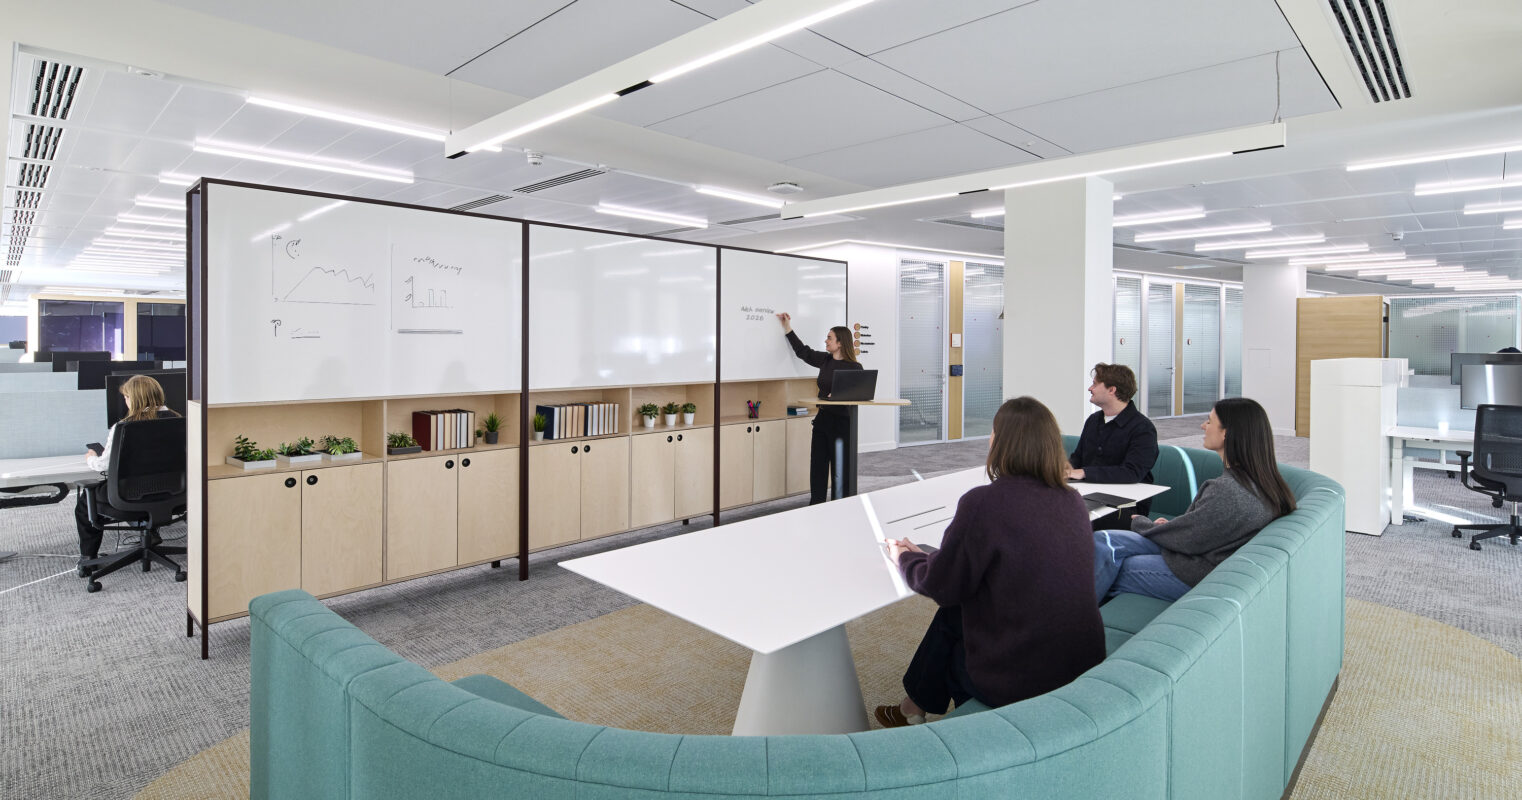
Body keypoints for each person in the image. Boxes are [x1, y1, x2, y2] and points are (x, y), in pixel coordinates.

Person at [875, 397, 1105, 727]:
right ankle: (912, 707)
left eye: (993, 433)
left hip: (1024, 680)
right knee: (954, 614)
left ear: (1001, 443)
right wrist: (938, 560)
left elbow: (941, 586)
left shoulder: (983, 503)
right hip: (1080, 662)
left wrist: (906, 558)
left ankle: (918, 710)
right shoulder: (1071, 500)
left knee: (950, 620)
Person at [1092, 397, 1296, 604]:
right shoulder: (1259, 482)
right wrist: (1169, 526)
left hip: (1196, 571)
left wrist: (1141, 523)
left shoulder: (1228, 490)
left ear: (1226, 433)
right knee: (1103, 541)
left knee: (1110, 563)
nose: (1202, 426)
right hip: (1200, 553)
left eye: (1209, 421)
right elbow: (1201, 528)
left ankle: (1074, 620)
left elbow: (1188, 539)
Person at [75, 374, 182, 570]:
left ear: (133, 399)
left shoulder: (124, 427)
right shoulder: (179, 421)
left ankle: (88, 559)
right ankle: (150, 531)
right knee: (151, 480)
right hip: (171, 496)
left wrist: (90, 457)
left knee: (84, 502)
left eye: (126, 397)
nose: (125, 401)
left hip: (128, 498)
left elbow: (102, 465)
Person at [777, 312, 864, 504]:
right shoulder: (825, 360)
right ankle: (816, 505)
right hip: (822, 421)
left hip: (842, 424)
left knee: (839, 470)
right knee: (817, 467)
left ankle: (840, 507)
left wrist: (842, 395)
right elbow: (803, 352)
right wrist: (787, 327)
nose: (826, 341)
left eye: (829, 338)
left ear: (840, 343)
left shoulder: (855, 368)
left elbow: (860, 393)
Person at [1069, 363, 1159, 519]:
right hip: (1089, 495)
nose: (1090, 389)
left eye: (1095, 384)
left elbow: (1132, 472)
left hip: (1126, 506)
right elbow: (1078, 458)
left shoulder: (1143, 428)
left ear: (1112, 390)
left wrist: (1083, 472)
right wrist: (1065, 469)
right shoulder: (1093, 420)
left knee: (1070, 519)